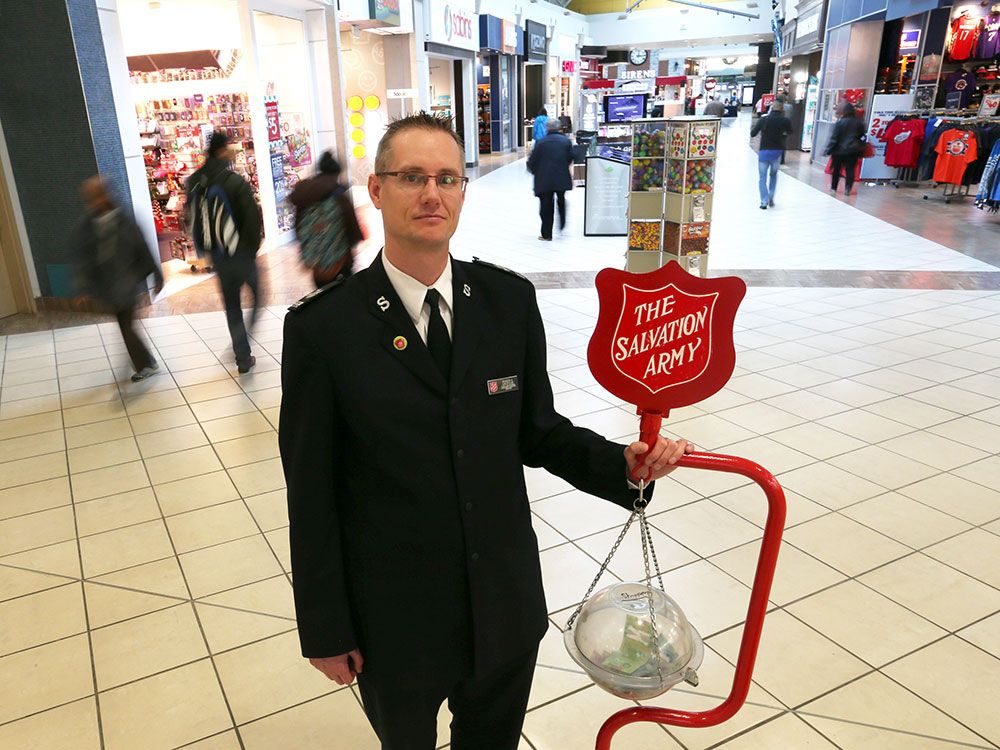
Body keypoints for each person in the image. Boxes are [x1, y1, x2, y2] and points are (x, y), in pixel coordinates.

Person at [278, 111, 693, 750]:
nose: (431, 194)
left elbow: (539, 431)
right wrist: (327, 628)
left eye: (447, 178)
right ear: (377, 189)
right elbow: (310, 493)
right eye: (411, 177)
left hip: (503, 600)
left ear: (464, 193)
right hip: (394, 614)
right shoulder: (324, 331)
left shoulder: (507, 304)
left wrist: (624, 465)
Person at [72, 176, 163, 382]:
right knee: (125, 325)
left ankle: (147, 364)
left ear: (105, 196)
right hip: (107, 284)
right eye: (89, 198)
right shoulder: (86, 226)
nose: (93, 202)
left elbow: (143, 249)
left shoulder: (125, 221)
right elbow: (82, 258)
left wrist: (157, 275)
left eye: (96, 196)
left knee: (126, 325)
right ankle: (146, 360)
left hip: (127, 281)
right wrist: (82, 286)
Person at [186, 131, 262, 373]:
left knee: (232, 307)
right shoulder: (233, 181)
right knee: (259, 296)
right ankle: (243, 341)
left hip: (218, 256)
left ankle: (242, 355)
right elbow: (251, 220)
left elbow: (191, 219)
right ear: (221, 151)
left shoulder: (195, 182)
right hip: (241, 255)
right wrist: (251, 251)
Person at [288, 151, 364, 288]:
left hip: (316, 265)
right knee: (344, 297)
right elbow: (352, 229)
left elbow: (297, 228)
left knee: (322, 297)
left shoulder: (305, 195)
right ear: (336, 173)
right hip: (340, 262)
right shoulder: (339, 196)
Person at [526, 118, 573, 241]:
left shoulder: (541, 143)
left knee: (546, 205)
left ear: (547, 128)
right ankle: (562, 223)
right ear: (559, 128)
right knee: (561, 199)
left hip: (544, 179)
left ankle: (547, 234)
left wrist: (534, 170)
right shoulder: (566, 142)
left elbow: (532, 162)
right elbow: (570, 158)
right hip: (561, 177)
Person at [750, 101, 793, 210]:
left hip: (764, 152)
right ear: (782, 109)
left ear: (771, 108)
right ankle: (771, 196)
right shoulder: (785, 121)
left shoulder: (764, 119)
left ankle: (764, 201)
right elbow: (790, 132)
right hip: (777, 152)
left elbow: (753, 133)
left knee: (762, 178)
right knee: (773, 175)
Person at [825, 102, 867, 196]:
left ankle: (834, 188)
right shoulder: (859, 122)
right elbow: (862, 136)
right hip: (853, 151)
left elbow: (834, 138)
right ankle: (848, 188)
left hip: (839, 151)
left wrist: (828, 149)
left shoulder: (840, 123)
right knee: (850, 170)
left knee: (836, 170)